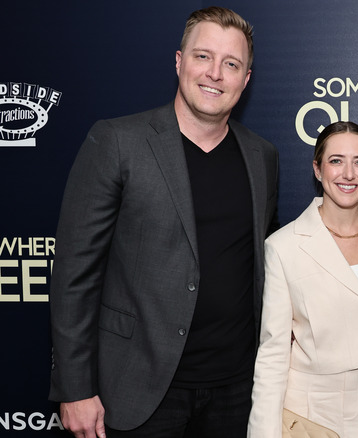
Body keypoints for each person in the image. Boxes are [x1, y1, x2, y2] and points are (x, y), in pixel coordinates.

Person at [49, 7, 278, 438]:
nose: (215, 74)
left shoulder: (261, 156)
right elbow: (74, 276)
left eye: (231, 64)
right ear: (178, 62)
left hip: (236, 391)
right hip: (139, 389)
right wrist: (75, 388)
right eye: (202, 57)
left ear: (246, 79)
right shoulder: (118, 142)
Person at [248, 121, 358, 438]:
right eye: (336, 161)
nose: (348, 174)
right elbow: (273, 354)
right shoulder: (284, 246)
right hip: (315, 417)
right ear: (317, 169)